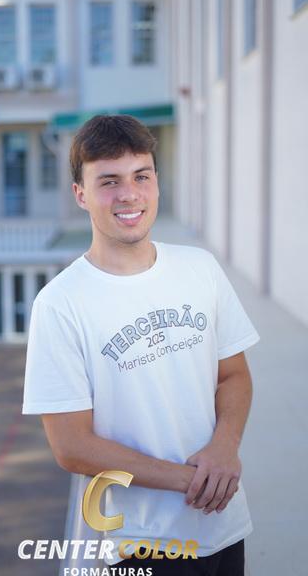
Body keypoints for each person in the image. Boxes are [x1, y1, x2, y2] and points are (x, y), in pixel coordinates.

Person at [22, 115, 260, 575]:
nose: (129, 194)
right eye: (109, 181)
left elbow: (234, 374)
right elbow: (71, 446)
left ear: (156, 183)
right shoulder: (60, 304)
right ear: (80, 194)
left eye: (141, 176)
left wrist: (224, 448)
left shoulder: (200, 268)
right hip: (139, 543)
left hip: (225, 525)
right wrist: (189, 480)